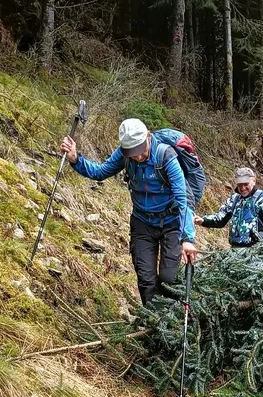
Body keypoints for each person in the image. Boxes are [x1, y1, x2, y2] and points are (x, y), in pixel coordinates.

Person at [59, 118, 198, 305]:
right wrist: (75, 159)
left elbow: (182, 200)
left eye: (140, 150)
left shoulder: (166, 156)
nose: (137, 157)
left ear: (148, 136)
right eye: (132, 153)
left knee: (169, 278)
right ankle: (153, 321)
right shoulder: (125, 154)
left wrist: (187, 238)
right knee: (146, 280)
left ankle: (173, 320)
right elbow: (100, 172)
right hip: (142, 223)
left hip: (171, 222)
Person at [194, 167, 263, 248]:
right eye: (240, 185)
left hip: (257, 250)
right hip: (235, 250)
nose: (243, 188)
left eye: (246, 184)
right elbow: (220, 219)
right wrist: (203, 221)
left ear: (254, 181)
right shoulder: (234, 199)